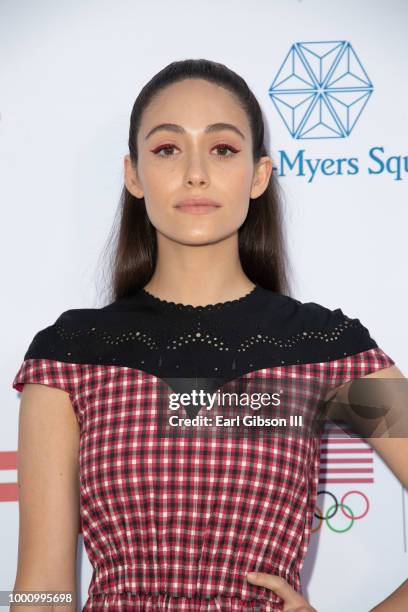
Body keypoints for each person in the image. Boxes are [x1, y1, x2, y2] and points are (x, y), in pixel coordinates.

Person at [11, 59, 408, 612]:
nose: (195, 173)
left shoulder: (326, 347)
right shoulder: (69, 354)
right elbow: (40, 585)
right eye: (167, 150)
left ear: (259, 174)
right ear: (133, 175)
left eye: (222, 149)